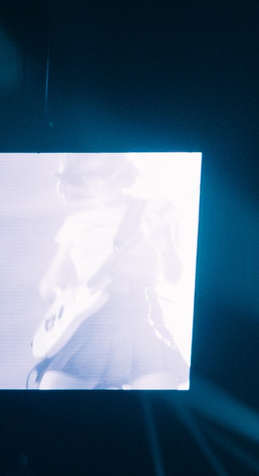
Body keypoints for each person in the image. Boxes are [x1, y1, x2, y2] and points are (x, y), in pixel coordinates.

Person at [26, 153, 191, 391]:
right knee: (51, 392)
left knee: (161, 404)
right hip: (88, 322)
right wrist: (66, 301)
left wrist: (165, 247)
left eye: (103, 174)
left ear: (121, 174)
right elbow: (50, 284)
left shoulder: (153, 208)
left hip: (139, 317)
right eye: (88, 177)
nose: (98, 183)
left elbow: (173, 276)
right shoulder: (76, 222)